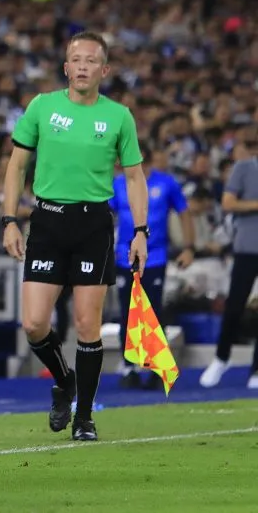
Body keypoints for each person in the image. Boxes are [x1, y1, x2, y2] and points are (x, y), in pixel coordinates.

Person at [2, 32, 148, 442]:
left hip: (93, 225)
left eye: (91, 60)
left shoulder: (119, 116)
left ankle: (84, 417)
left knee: (87, 325)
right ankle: (65, 381)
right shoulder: (42, 106)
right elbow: (16, 167)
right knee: (34, 324)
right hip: (47, 220)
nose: (83, 66)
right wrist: (9, 219)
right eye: (76, 59)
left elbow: (134, 177)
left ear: (105, 69)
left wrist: (140, 231)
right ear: (66, 67)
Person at [111, 143, 194, 389]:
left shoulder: (166, 183)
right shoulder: (118, 184)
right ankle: (129, 366)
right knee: (127, 312)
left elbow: (184, 212)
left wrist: (189, 247)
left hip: (155, 256)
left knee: (154, 312)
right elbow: (106, 214)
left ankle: (157, 365)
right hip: (124, 256)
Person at [200, 135, 258, 389]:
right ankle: (221, 358)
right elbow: (228, 202)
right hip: (247, 248)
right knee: (234, 306)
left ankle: (256, 369)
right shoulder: (244, 168)